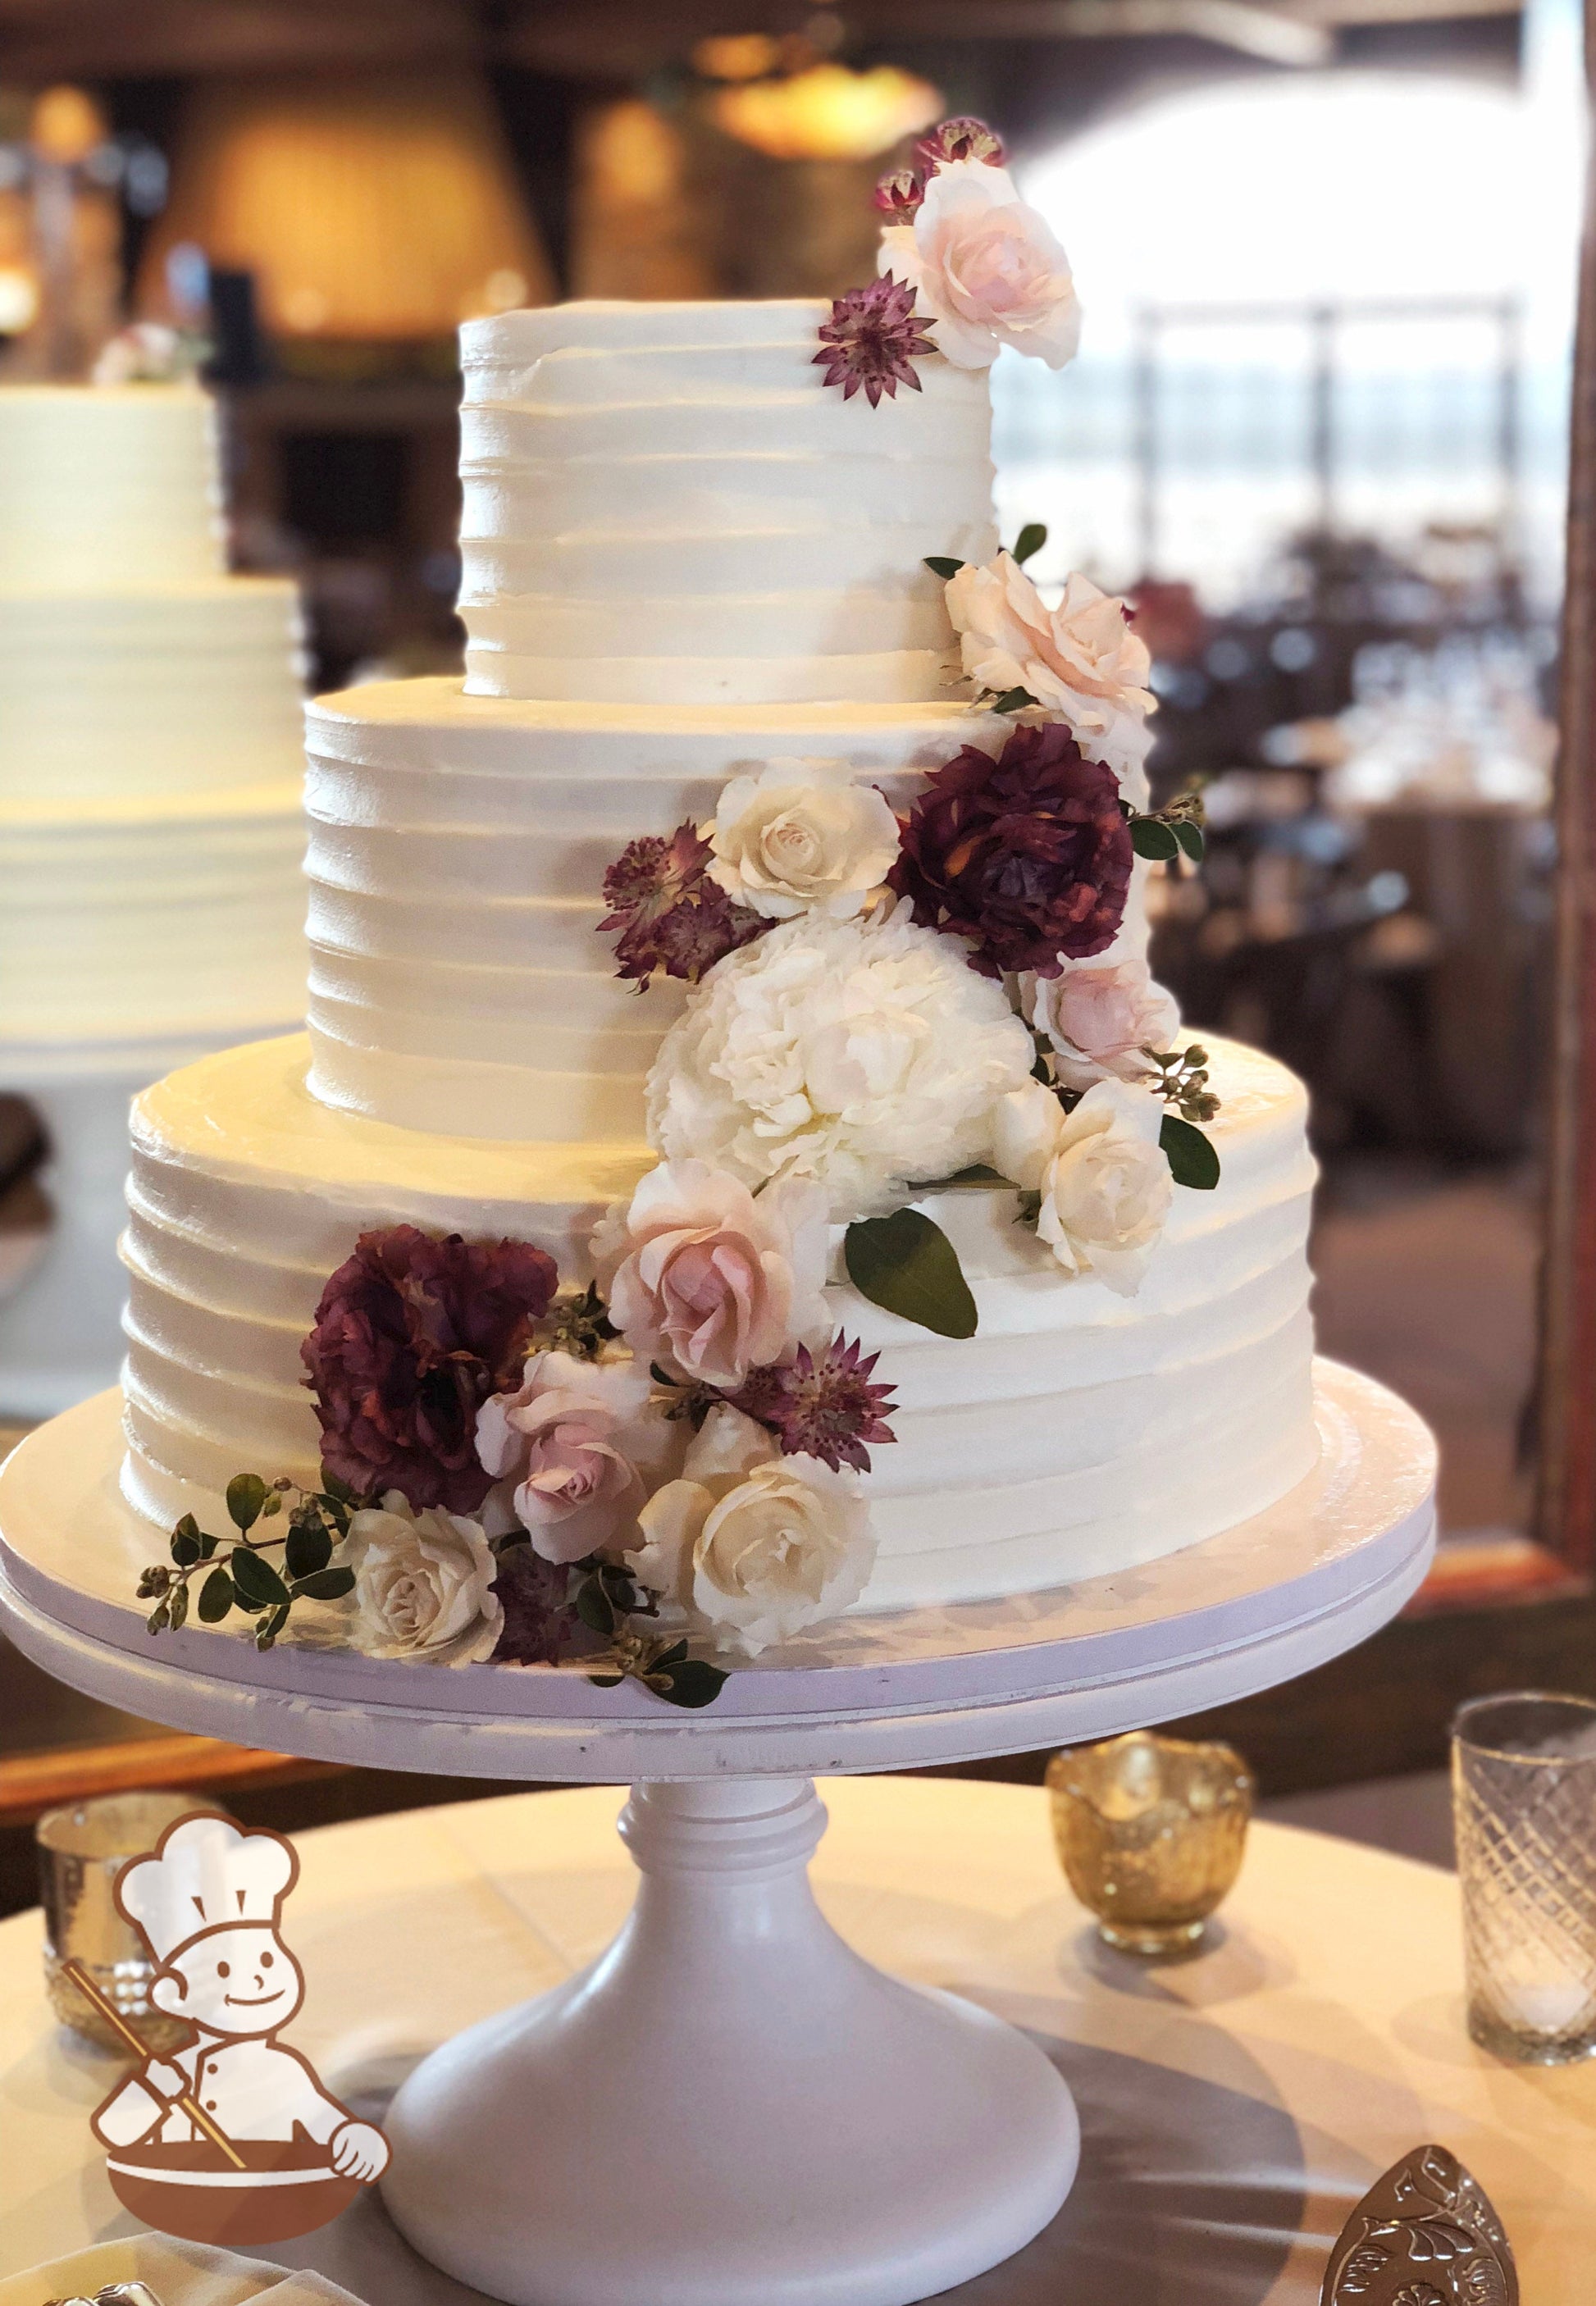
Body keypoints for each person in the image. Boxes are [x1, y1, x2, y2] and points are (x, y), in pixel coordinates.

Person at [89, 1812, 388, 2181]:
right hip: (179, 2205)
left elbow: (331, 2124)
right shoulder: (177, 2072)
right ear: (174, 1995)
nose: (259, 1980)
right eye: (225, 1970)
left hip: (272, 2200)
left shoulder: (286, 2070)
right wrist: (153, 2092)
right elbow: (116, 2132)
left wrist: (355, 2138)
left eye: (266, 1958)